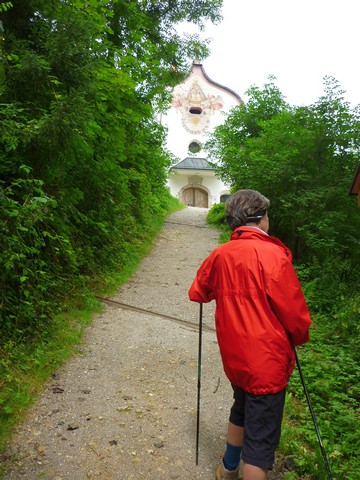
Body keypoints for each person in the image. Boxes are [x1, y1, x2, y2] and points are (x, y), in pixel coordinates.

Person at [188, 189, 312, 480]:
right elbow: (296, 316)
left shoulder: (220, 254)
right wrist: (299, 337)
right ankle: (242, 468)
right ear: (260, 218)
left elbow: (198, 292)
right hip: (266, 365)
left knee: (241, 408)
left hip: (236, 360)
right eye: (268, 215)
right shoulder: (273, 255)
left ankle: (229, 468)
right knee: (260, 445)